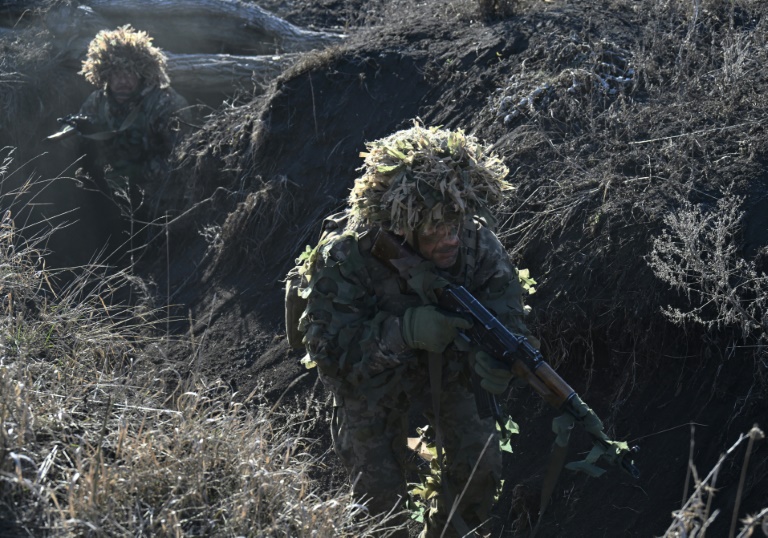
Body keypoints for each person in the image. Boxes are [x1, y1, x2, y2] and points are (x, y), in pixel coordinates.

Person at [295, 123, 540, 537]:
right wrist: (405, 332)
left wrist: (500, 360)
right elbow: (333, 359)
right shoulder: (348, 258)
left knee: (481, 469)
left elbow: (508, 314)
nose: (450, 239)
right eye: (433, 227)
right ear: (401, 221)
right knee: (380, 504)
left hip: (447, 371)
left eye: (456, 224)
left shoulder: (477, 245)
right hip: (370, 381)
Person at [62, 24, 190, 219]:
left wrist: (137, 174)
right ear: (104, 74)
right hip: (110, 195)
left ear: (142, 73)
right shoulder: (98, 101)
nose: (122, 80)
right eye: (115, 73)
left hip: (156, 200)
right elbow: (72, 137)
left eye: (129, 73)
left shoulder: (165, 103)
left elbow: (181, 159)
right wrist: (74, 132)